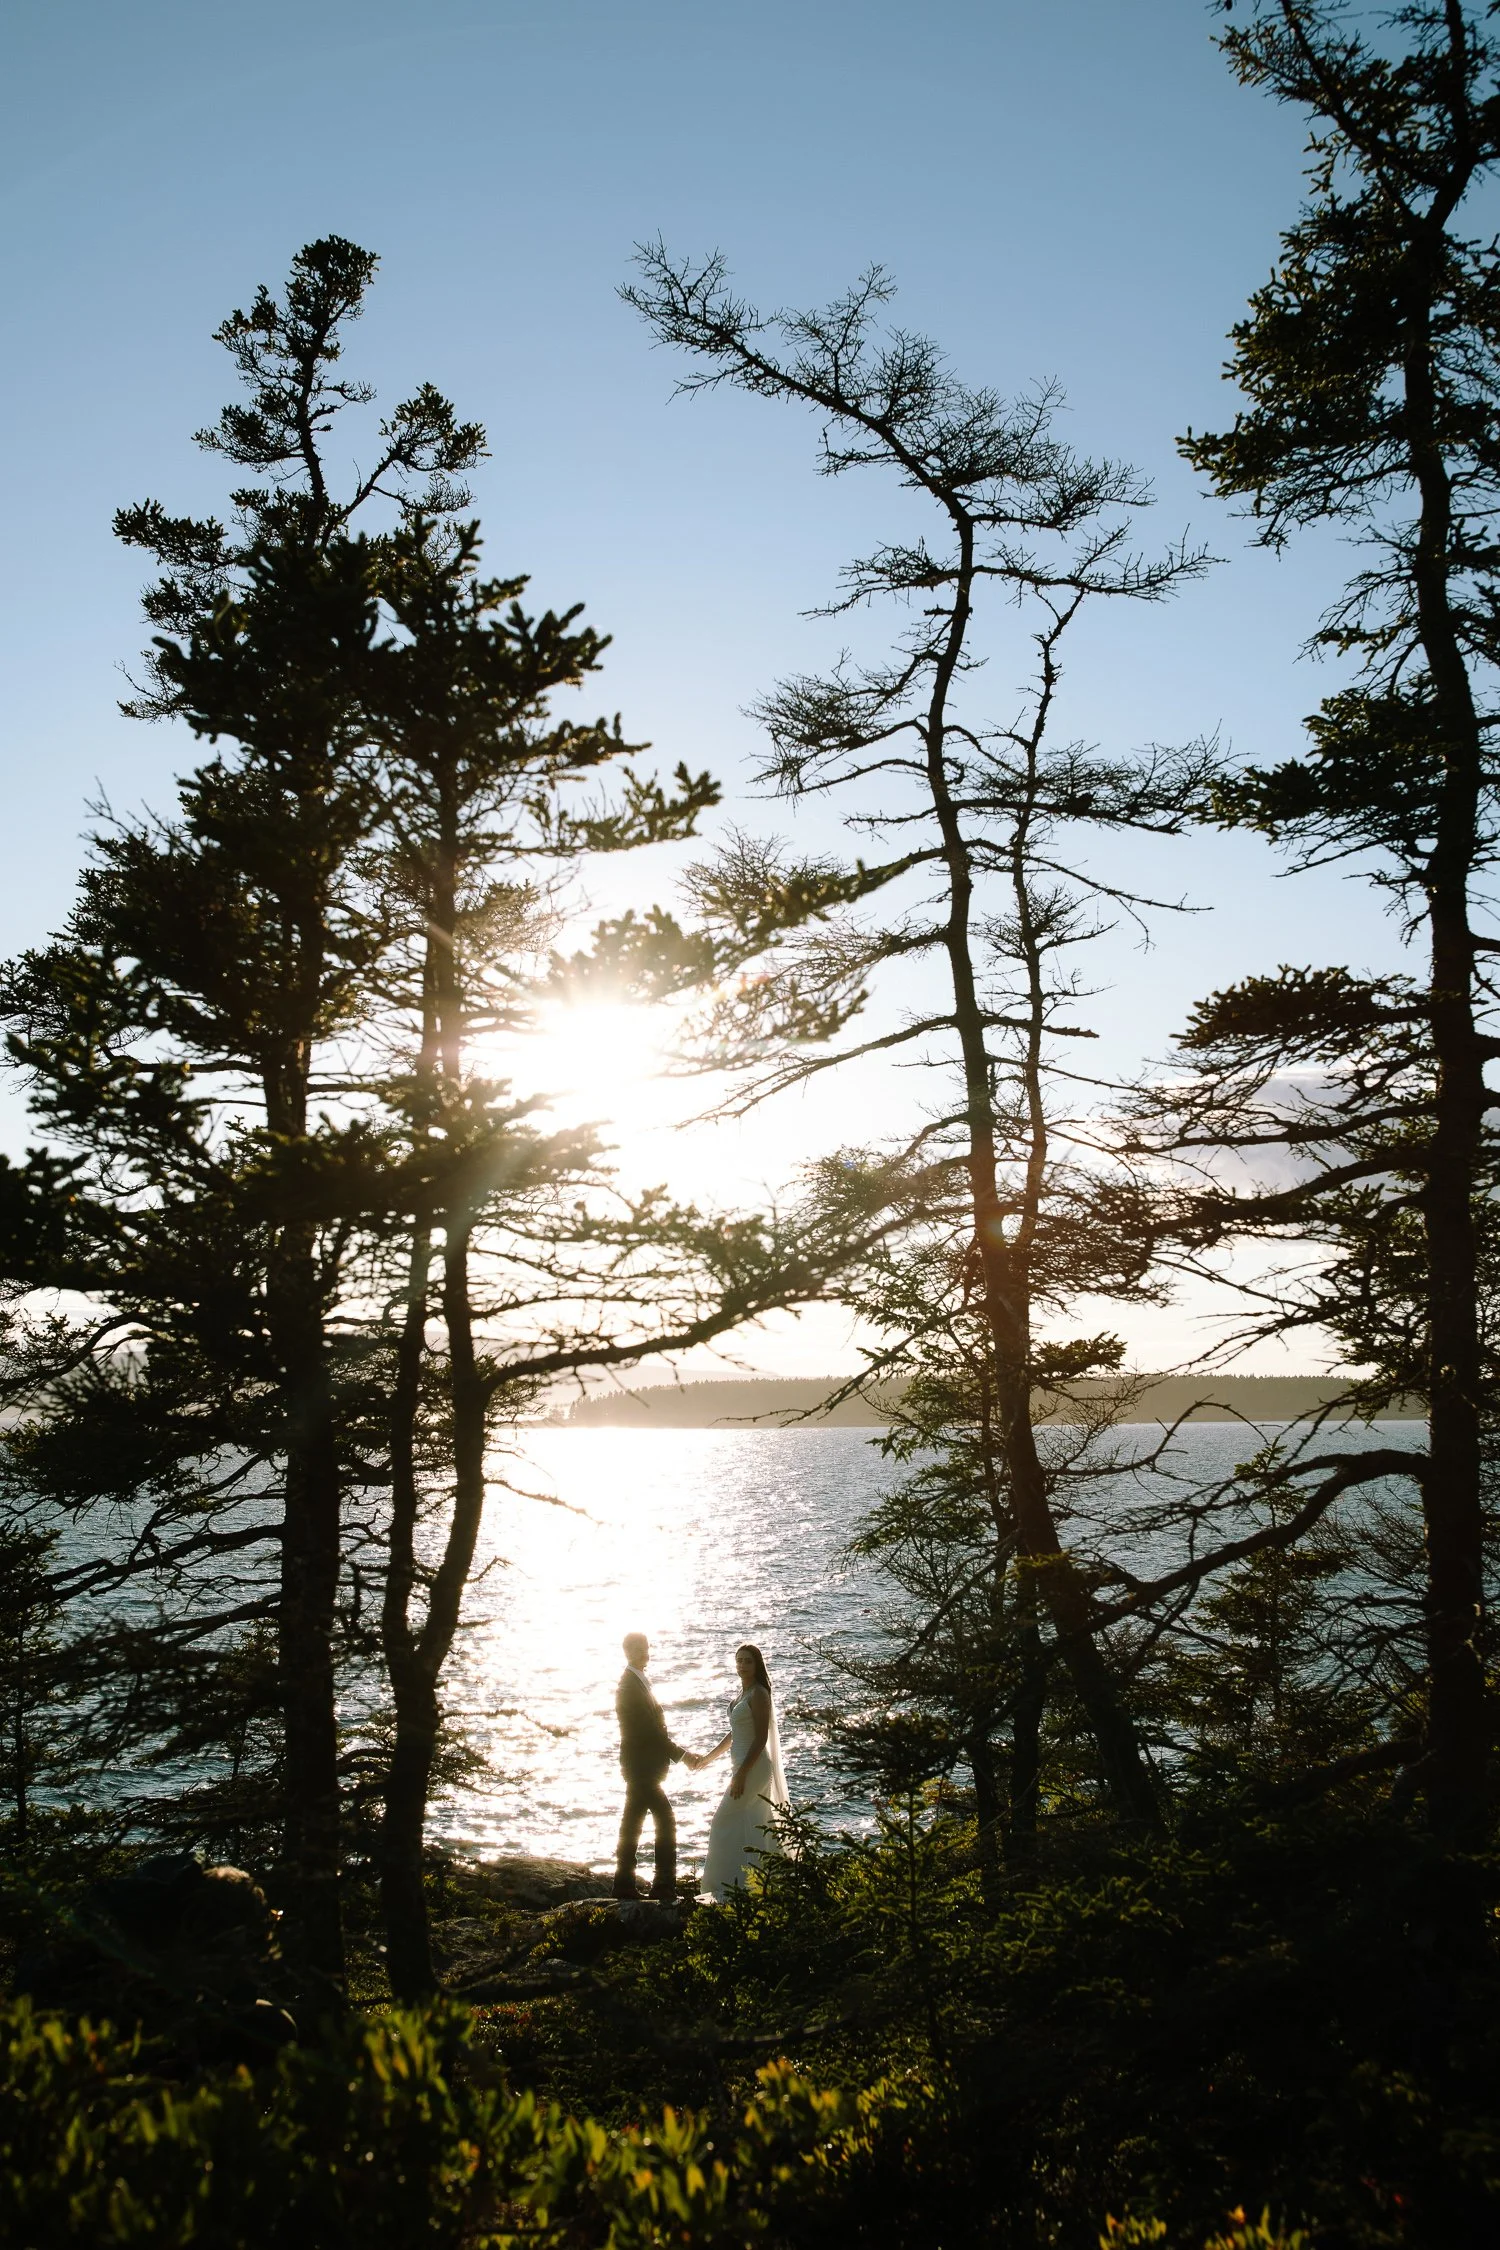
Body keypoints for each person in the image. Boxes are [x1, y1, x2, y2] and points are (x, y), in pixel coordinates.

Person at [687, 1643, 790, 1899]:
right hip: (741, 1766)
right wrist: (707, 1759)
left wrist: (742, 1773)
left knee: (721, 1820)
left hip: (753, 1768)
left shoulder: (759, 1694)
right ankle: (752, 1883)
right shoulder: (741, 1695)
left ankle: (723, 1885)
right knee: (754, 1823)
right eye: (739, 1661)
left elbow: (760, 1739)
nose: (742, 1665)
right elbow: (734, 1735)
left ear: (757, 1665)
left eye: (747, 1661)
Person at [613, 1631, 686, 1901]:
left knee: (632, 1822)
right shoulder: (629, 1685)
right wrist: (681, 1755)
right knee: (664, 1819)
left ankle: (624, 1883)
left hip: (641, 1766)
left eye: (645, 1647)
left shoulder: (638, 1681)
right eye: (637, 1648)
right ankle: (663, 1884)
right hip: (641, 1766)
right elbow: (649, 1732)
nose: (644, 1652)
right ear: (627, 1652)